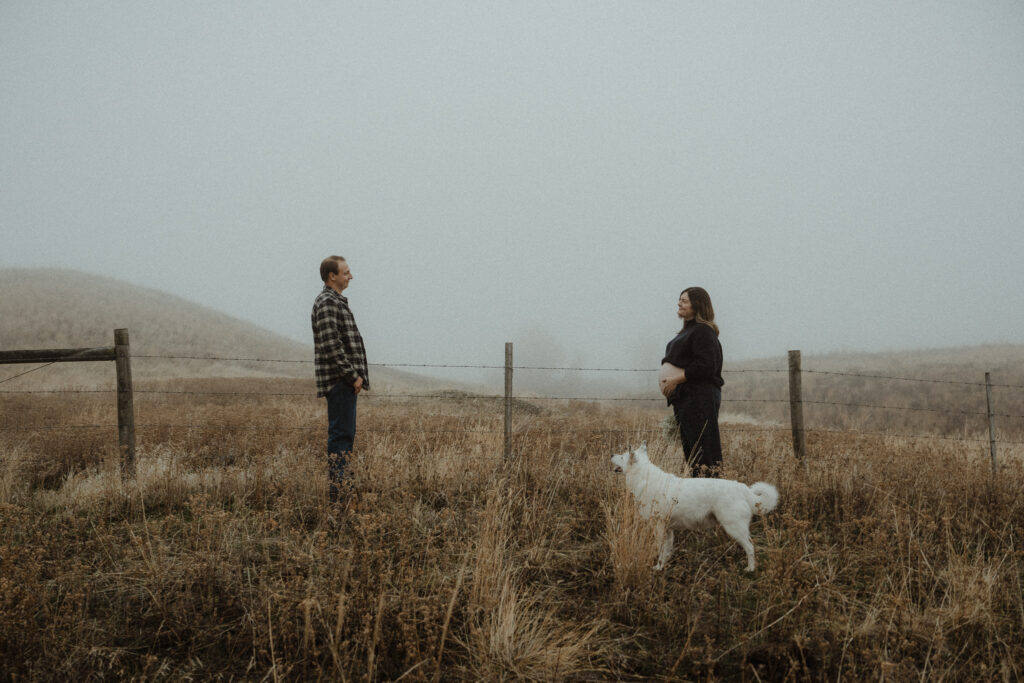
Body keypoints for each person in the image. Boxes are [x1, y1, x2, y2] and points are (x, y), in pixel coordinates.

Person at [312, 255, 369, 503]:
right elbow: (331, 346)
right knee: (341, 436)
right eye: (346, 272)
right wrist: (352, 375)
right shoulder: (327, 303)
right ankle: (338, 496)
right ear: (331, 276)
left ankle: (341, 490)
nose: (351, 276)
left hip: (343, 381)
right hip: (339, 382)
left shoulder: (336, 301)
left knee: (345, 435)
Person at [659, 287, 724, 476]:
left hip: (699, 398)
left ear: (697, 305)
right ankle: (701, 493)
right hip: (686, 399)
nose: (679, 303)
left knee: (703, 453)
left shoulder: (703, 331)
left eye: (684, 300)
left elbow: (706, 365)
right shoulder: (687, 332)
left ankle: (712, 493)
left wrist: (674, 380)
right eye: (679, 299)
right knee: (693, 454)